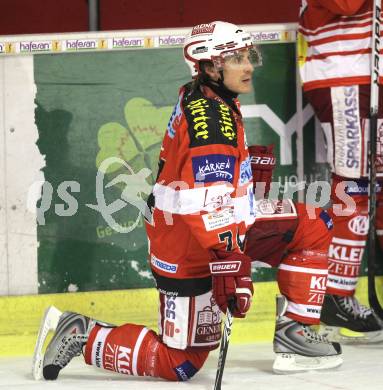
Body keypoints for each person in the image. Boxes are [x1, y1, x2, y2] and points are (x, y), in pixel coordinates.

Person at [33, 21, 259, 382]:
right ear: (209, 66)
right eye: (237, 58)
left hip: (189, 238)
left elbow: (206, 184)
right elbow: (207, 204)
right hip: (188, 247)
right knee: (180, 362)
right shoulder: (213, 121)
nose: (248, 66)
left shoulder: (202, 95)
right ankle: (82, 334)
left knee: (198, 347)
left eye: (249, 56)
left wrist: (245, 171)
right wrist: (229, 259)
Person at [298, 0, 383, 343]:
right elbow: (346, 5)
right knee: (354, 184)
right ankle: (336, 295)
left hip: (370, 75)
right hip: (344, 78)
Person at [245, 145, 342, 373]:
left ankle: (293, 330)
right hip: (218, 217)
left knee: (185, 362)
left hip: (191, 229)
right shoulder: (213, 113)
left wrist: (255, 169)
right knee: (316, 223)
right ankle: (293, 333)